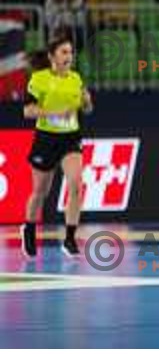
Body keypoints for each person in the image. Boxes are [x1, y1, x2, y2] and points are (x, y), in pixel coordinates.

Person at [21, 38, 93, 259]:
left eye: (70, 52)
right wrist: (52, 113)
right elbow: (28, 111)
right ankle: (29, 229)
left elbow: (87, 110)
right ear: (52, 57)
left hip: (70, 138)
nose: (68, 56)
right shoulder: (39, 79)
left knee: (75, 184)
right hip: (46, 139)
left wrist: (87, 102)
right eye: (63, 52)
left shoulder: (76, 79)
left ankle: (70, 238)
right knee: (40, 192)